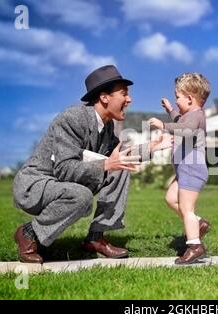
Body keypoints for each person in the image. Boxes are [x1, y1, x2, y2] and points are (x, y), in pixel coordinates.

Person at [13, 65, 171, 263]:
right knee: (83, 195)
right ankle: (29, 233)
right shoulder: (73, 118)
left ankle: (96, 237)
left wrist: (151, 148)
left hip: (61, 184)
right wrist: (106, 165)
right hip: (36, 183)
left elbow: (118, 156)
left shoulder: (106, 125)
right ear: (104, 97)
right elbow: (64, 169)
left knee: (120, 169)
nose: (129, 99)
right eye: (124, 94)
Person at [148, 73, 211, 265]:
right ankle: (198, 223)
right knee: (170, 199)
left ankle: (195, 246)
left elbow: (186, 129)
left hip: (192, 168)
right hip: (184, 170)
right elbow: (180, 121)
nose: (176, 101)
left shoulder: (196, 116)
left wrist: (163, 125)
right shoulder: (189, 116)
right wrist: (170, 110)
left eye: (178, 97)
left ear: (190, 99)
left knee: (186, 208)